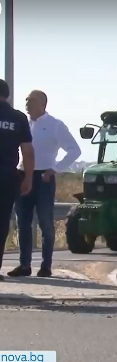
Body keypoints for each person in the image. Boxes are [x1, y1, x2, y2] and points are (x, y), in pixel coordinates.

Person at [9, 90, 81, 278]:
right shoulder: (23, 123)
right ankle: (24, 266)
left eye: (31, 100)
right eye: (26, 100)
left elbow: (74, 150)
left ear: (43, 103)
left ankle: (46, 266)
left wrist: (54, 169)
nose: (27, 103)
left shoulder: (55, 125)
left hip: (43, 179)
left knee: (45, 223)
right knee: (22, 223)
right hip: (24, 176)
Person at [0, 80, 34, 280]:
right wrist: (28, 177)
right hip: (6, 177)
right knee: (2, 222)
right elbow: (27, 152)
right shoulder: (18, 118)